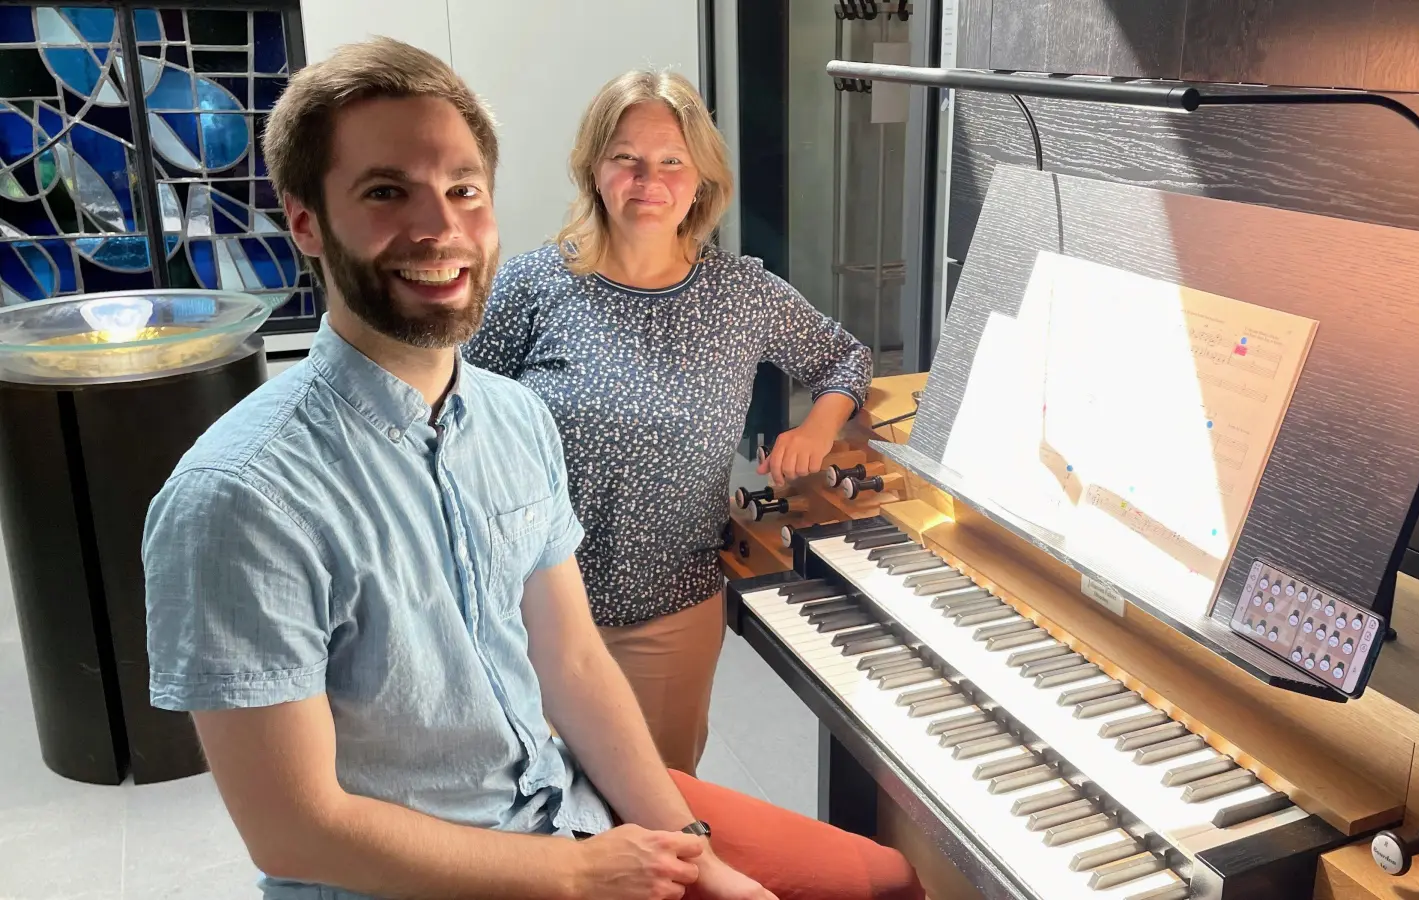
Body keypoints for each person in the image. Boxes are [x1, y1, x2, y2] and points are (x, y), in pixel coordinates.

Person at [142, 37, 921, 900]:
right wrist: (578, 872)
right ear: (304, 221)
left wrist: (692, 854)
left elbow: (573, 663)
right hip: (425, 873)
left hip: (566, 787)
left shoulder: (513, 420)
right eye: (386, 191)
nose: (439, 228)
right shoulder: (238, 498)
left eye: (463, 190)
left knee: (882, 879)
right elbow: (294, 831)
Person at [462, 70, 872, 775]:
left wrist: (817, 429)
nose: (647, 179)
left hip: (671, 613)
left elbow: (845, 358)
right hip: (531, 613)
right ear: (595, 167)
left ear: (701, 177)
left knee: (661, 812)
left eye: (671, 160)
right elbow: (453, 407)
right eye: (626, 157)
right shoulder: (536, 285)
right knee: (538, 811)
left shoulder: (742, 293)